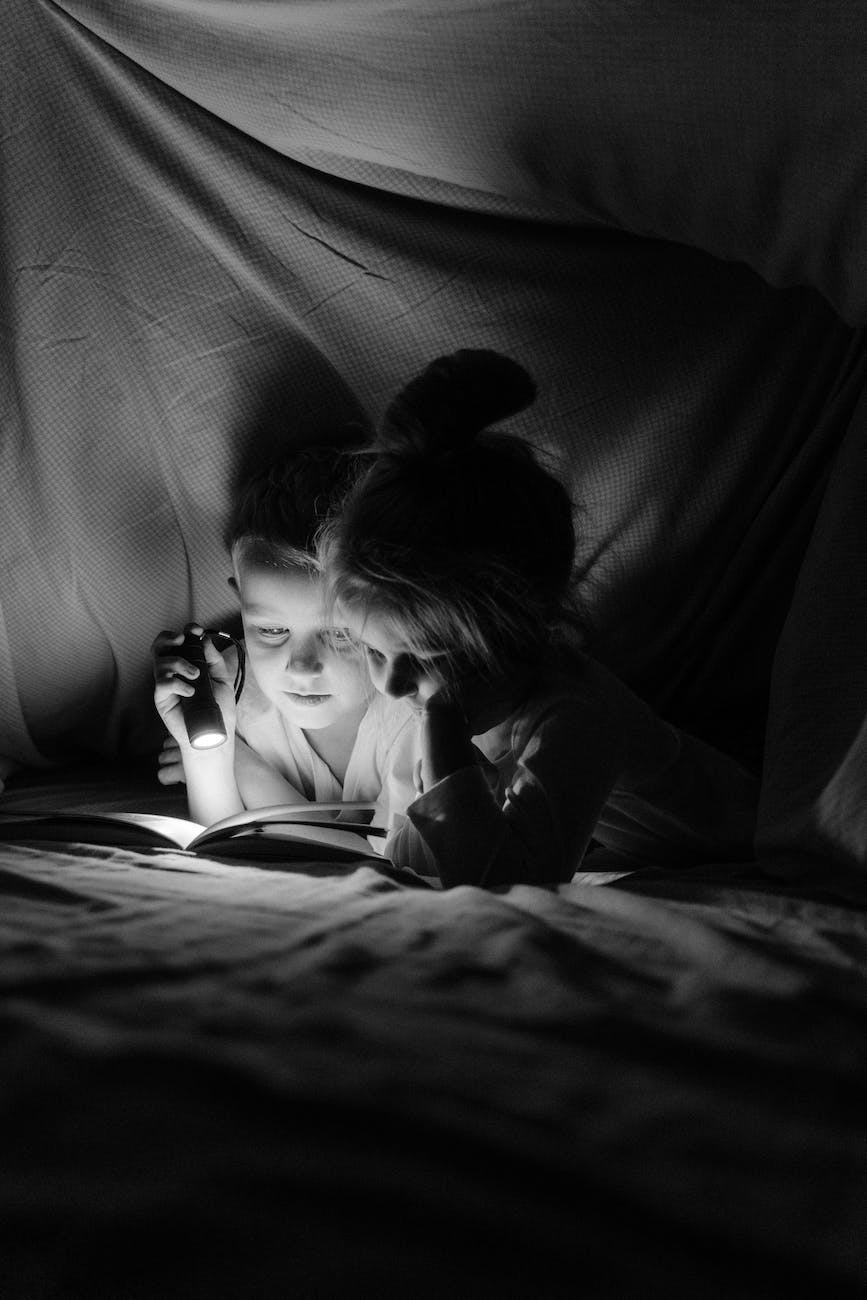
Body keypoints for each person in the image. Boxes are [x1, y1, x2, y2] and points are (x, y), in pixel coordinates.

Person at [318, 349, 759, 888]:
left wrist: (446, 752)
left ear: (517, 633)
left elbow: (511, 884)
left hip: (744, 841)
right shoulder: (437, 706)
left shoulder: (575, 717)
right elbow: (403, 856)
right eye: (373, 650)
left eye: (427, 656)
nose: (390, 684)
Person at [152, 445, 418, 833]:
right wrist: (208, 755)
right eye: (272, 631)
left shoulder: (413, 707)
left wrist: (242, 765)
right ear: (241, 601)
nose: (302, 668)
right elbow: (219, 844)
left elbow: (379, 860)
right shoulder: (231, 692)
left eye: (340, 634)